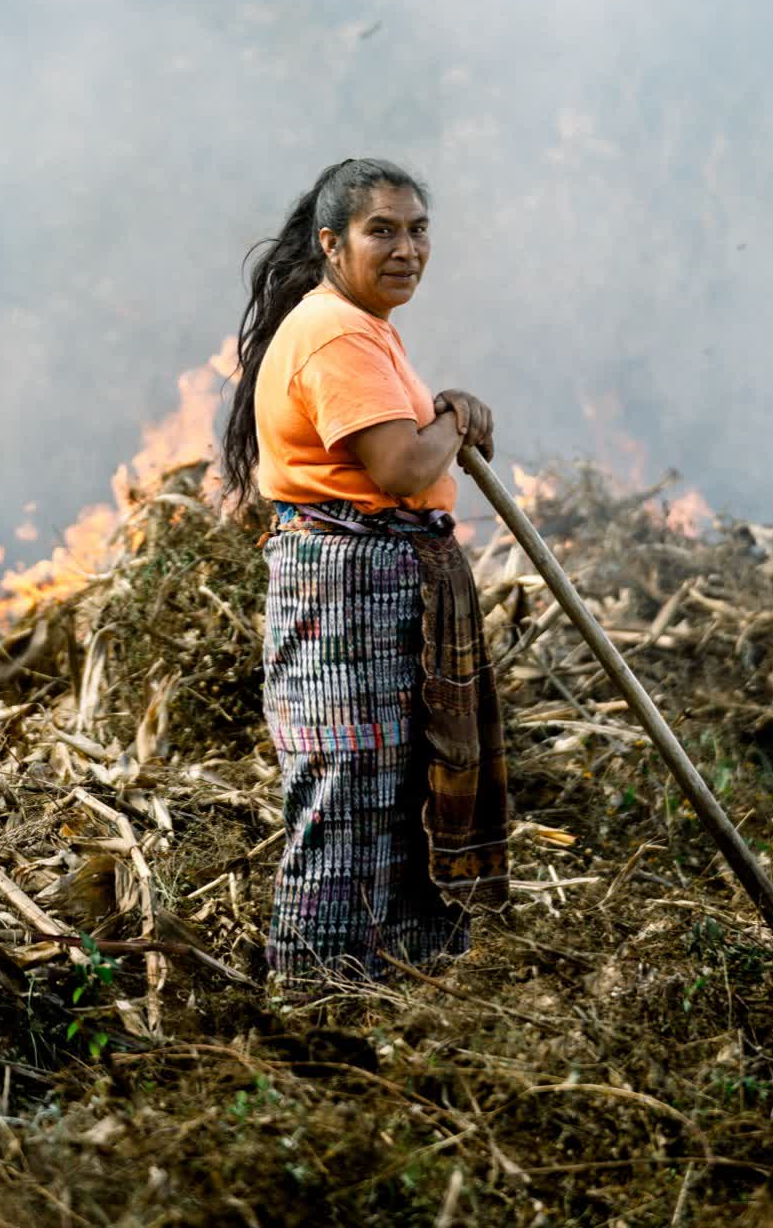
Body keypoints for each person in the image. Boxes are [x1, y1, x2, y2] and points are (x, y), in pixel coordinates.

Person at [222, 157, 509, 980]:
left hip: (372, 578)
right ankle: (315, 993)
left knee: (393, 788)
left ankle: (392, 986)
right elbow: (400, 469)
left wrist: (443, 414)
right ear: (331, 243)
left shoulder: (361, 327)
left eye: (418, 229)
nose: (406, 248)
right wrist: (454, 415)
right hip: (351, 585)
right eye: (380, 229)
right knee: (350, 789)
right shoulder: (337, 332)